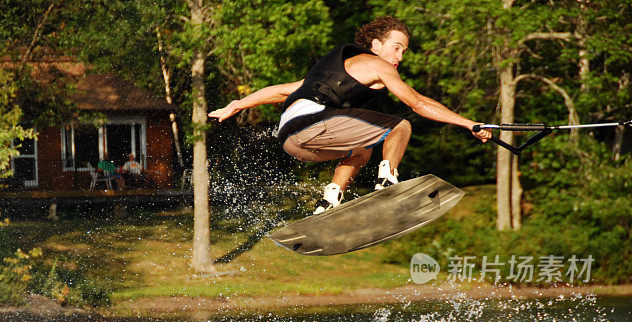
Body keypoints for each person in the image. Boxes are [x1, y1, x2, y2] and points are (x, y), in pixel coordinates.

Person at [209, 16, 492, 214]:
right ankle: (387, 183)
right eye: (396, 48)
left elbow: (283, 92)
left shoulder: (331, 69)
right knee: (400, 127)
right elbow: (417, 102)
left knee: (362, 150)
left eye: (404, 51)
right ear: (376, 45)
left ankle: (329, 200)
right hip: (313, 125)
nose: (400, 57)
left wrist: (236, 104)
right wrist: (469, 123)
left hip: (290, 138)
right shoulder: (378, 64)